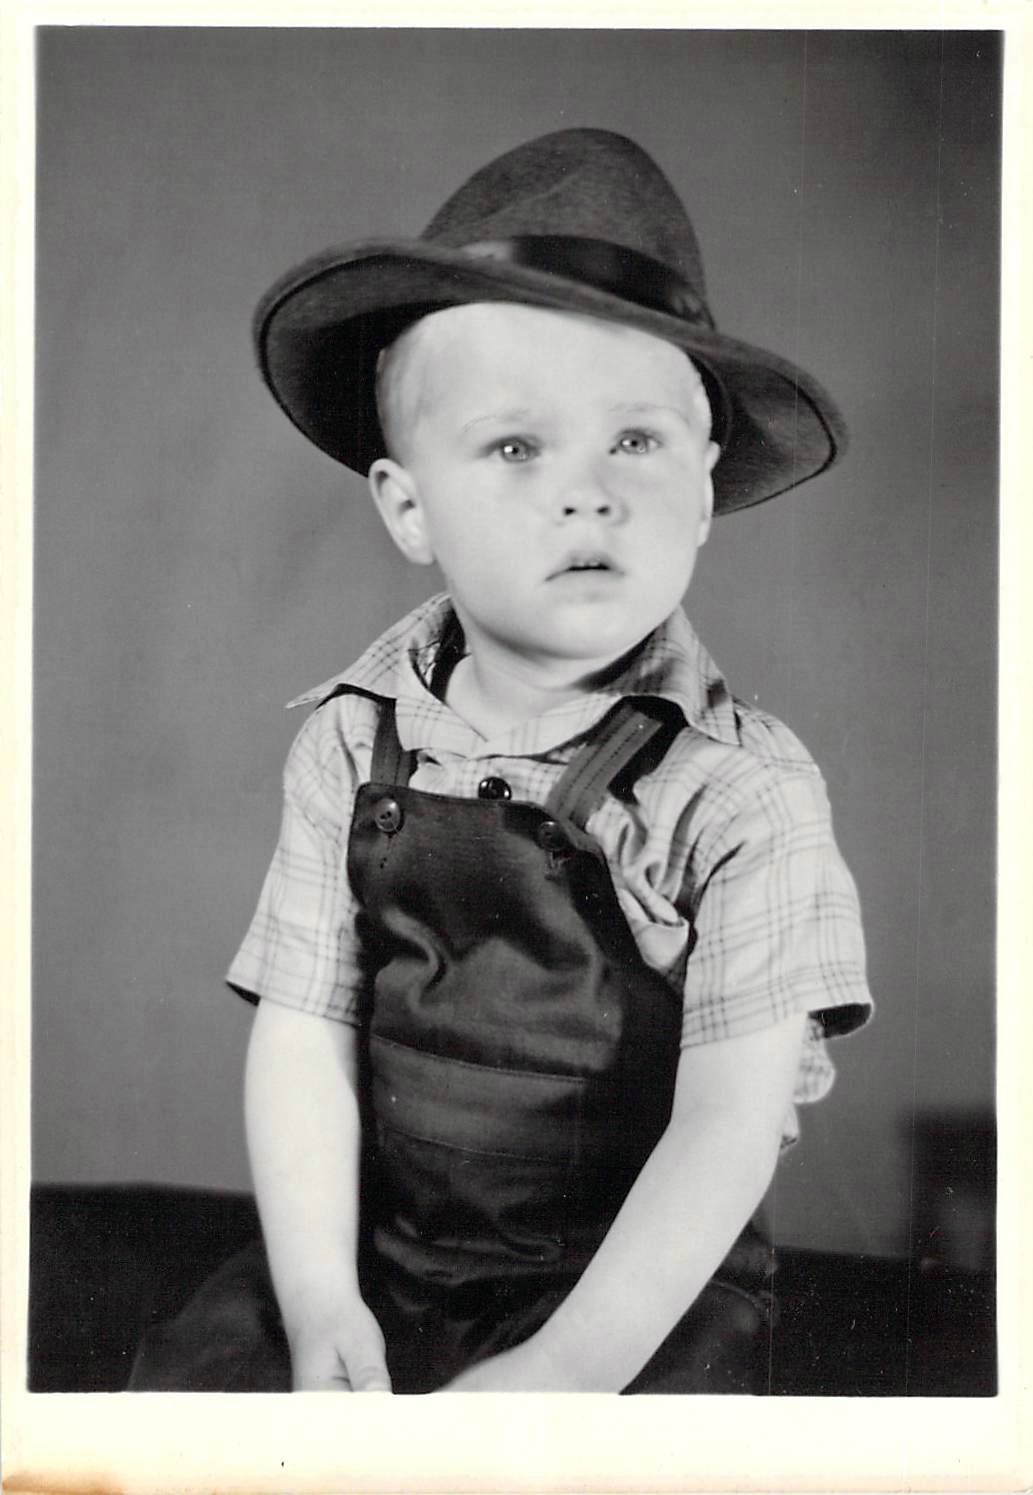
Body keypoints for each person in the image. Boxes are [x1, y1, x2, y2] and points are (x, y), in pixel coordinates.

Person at [131, 128, 872, 1395]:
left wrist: (565, 1375)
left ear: (702, 492)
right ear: (408, 507)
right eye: (517, 447)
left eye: (634, 442)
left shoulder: (742, 791)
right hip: (388, 1262)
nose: (586, 493)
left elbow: (728, 1123)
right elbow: (305, 1038)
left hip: (628, 1302)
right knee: (199, 1415)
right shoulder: (348, 742)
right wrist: (318, 1298)